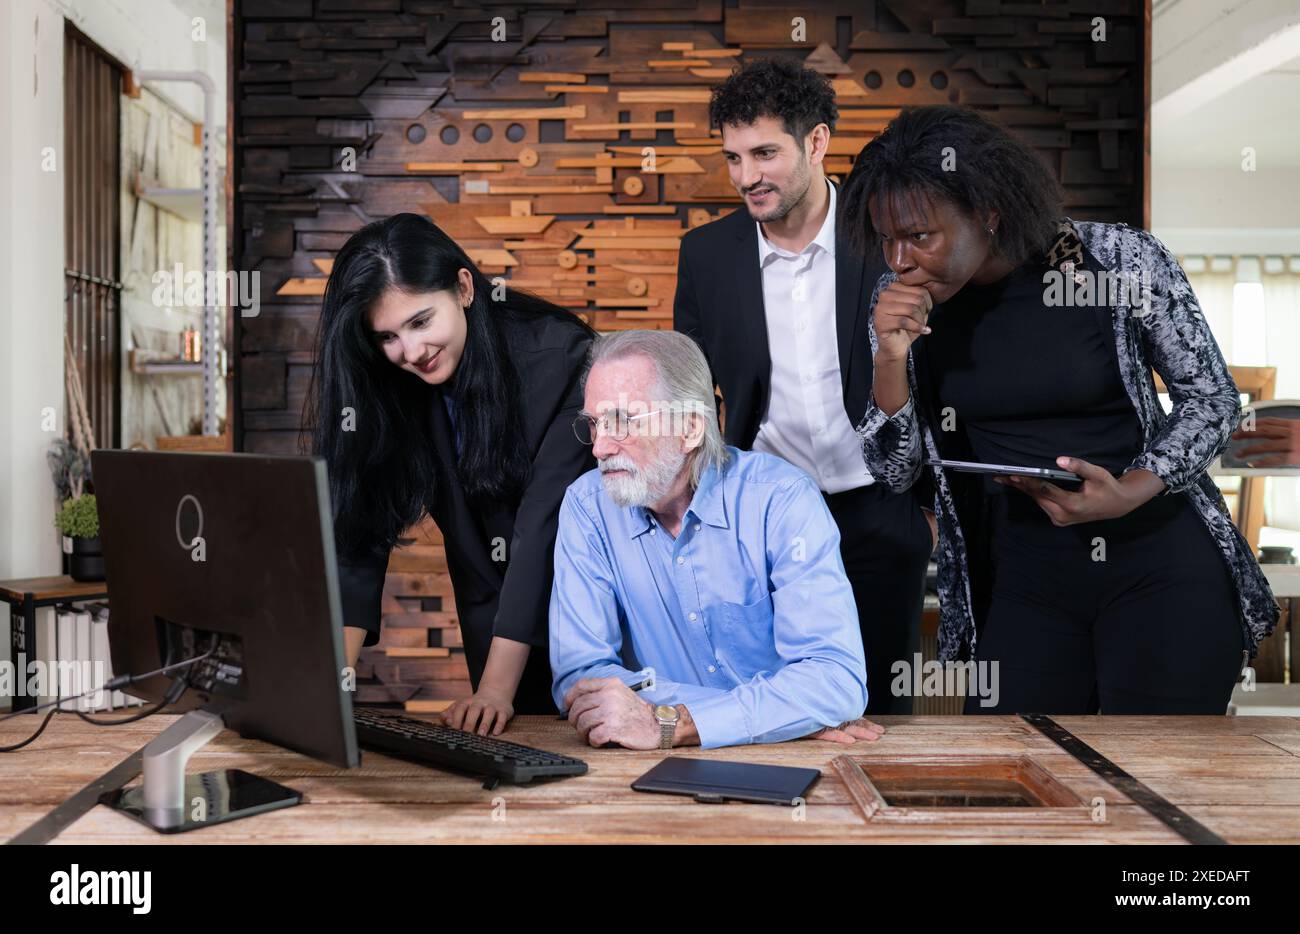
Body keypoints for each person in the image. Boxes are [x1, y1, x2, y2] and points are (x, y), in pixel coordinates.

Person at [841, 105, 1279, 715]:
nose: (899, 259)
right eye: (886, 240)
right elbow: (894, 471)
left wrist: (1129, 489)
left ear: (988, 214)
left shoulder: (1117, 260)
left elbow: (1211, 397)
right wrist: (889, 360)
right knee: (1024, 772)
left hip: (1158, 561)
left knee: (1160, 781)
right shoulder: (902, 307)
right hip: (1021, 578)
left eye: (920, 235)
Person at [674, 57, 933, 717]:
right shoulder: (705, 255)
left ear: (817, 142)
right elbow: (694, 391)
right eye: (732, 158)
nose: (745, 177)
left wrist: (924, 515)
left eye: (764, 153)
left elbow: (941, 373)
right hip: (767, 516)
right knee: (777, 703)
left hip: (881, 511)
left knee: (881, 712)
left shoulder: (887, 236)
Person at [304, 212, 595, 734]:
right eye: (387, 336)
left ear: (463, 287)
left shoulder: (560, 357)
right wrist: (331, 686)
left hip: (587, 616)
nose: (411, 352)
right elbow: (359, 530)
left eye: (420, 322)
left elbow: (542, 528)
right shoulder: (390, 380)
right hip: (493, 623)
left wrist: (494, 689)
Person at [548, 329, 883, 749]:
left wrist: (674, 722)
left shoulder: (782, 501)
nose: (598, 447)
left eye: (623, 421)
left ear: (690, 428)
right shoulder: (587, 507)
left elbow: (835, 679)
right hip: (649, 767)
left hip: (784, 768)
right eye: (595, 423)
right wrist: (783, 715)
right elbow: (582, 682)